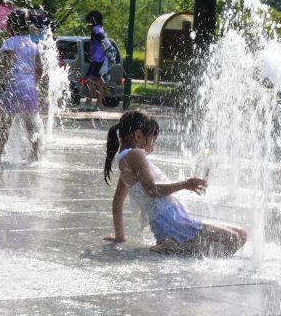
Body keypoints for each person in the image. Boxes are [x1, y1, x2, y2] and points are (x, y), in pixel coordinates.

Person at [102, 110, 247, 257]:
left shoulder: (125, 163)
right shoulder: (135, 154)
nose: (152, 147)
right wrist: (186, 183)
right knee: (234, 239)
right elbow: (152, 190)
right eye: (152, 140)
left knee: (240, 234)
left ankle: (173, 244)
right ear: (138, 136)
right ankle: (176, 248)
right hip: (172, 223)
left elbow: (117, 201)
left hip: (172, 221)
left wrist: (120, 236)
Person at [0, 9, 43, 162]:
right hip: (29, 89)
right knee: (31, 125)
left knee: (5, 123)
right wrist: (34, 84)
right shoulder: (33, 45)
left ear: (12, 26)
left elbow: (6, 66)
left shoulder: (9, 43)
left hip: (14, 87)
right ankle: (35, 155)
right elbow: (40, 69)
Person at [83, 10, 106, 111]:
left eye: (89, 20)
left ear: (93, 20)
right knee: (98, 81)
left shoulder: (96, 29)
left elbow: (102, 37)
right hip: (98, 58)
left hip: (97, 58)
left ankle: (89, 103)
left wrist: (95, 33)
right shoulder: (99, 28)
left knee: (90, 80)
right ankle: (98, 104)